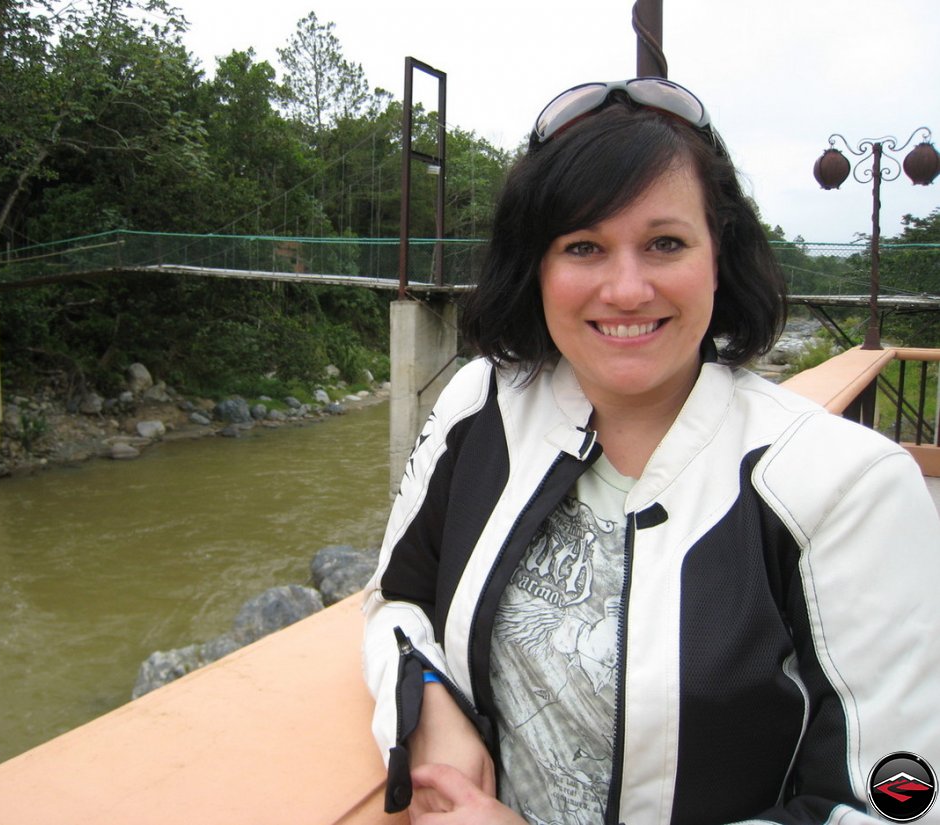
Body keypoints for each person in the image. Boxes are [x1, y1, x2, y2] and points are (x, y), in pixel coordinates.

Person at [361, 78, 940, 824]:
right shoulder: (484, 404)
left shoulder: (845, 489)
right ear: (536, 268)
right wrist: (428, 700)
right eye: (583, 247)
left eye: (664, 242)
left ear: (719, 256)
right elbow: (396, 599)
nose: (626, 288)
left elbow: (897, 805)